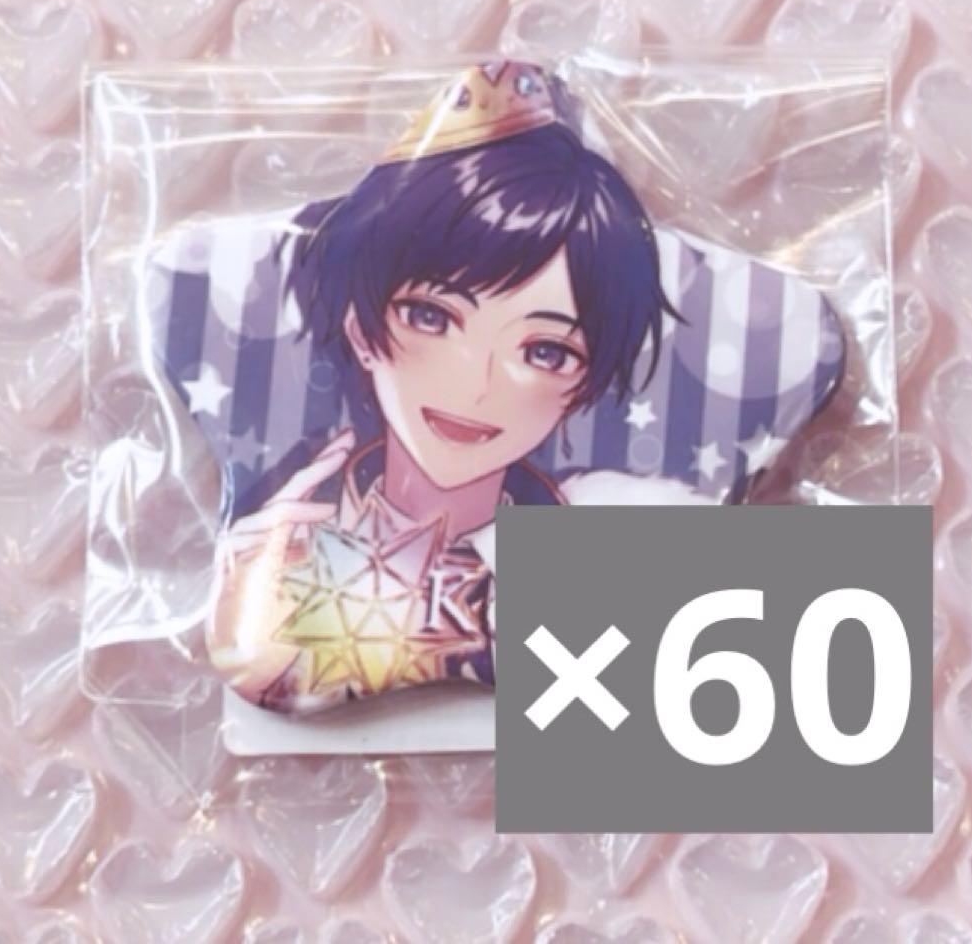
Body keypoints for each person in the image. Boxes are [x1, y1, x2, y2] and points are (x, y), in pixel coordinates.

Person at [204, 61, 713, 715]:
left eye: (545, 351)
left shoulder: (599, 559)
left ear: (583, 383)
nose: (477, 386)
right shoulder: (285, 530)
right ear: (362, 329)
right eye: (430, 316)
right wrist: (257, 605)